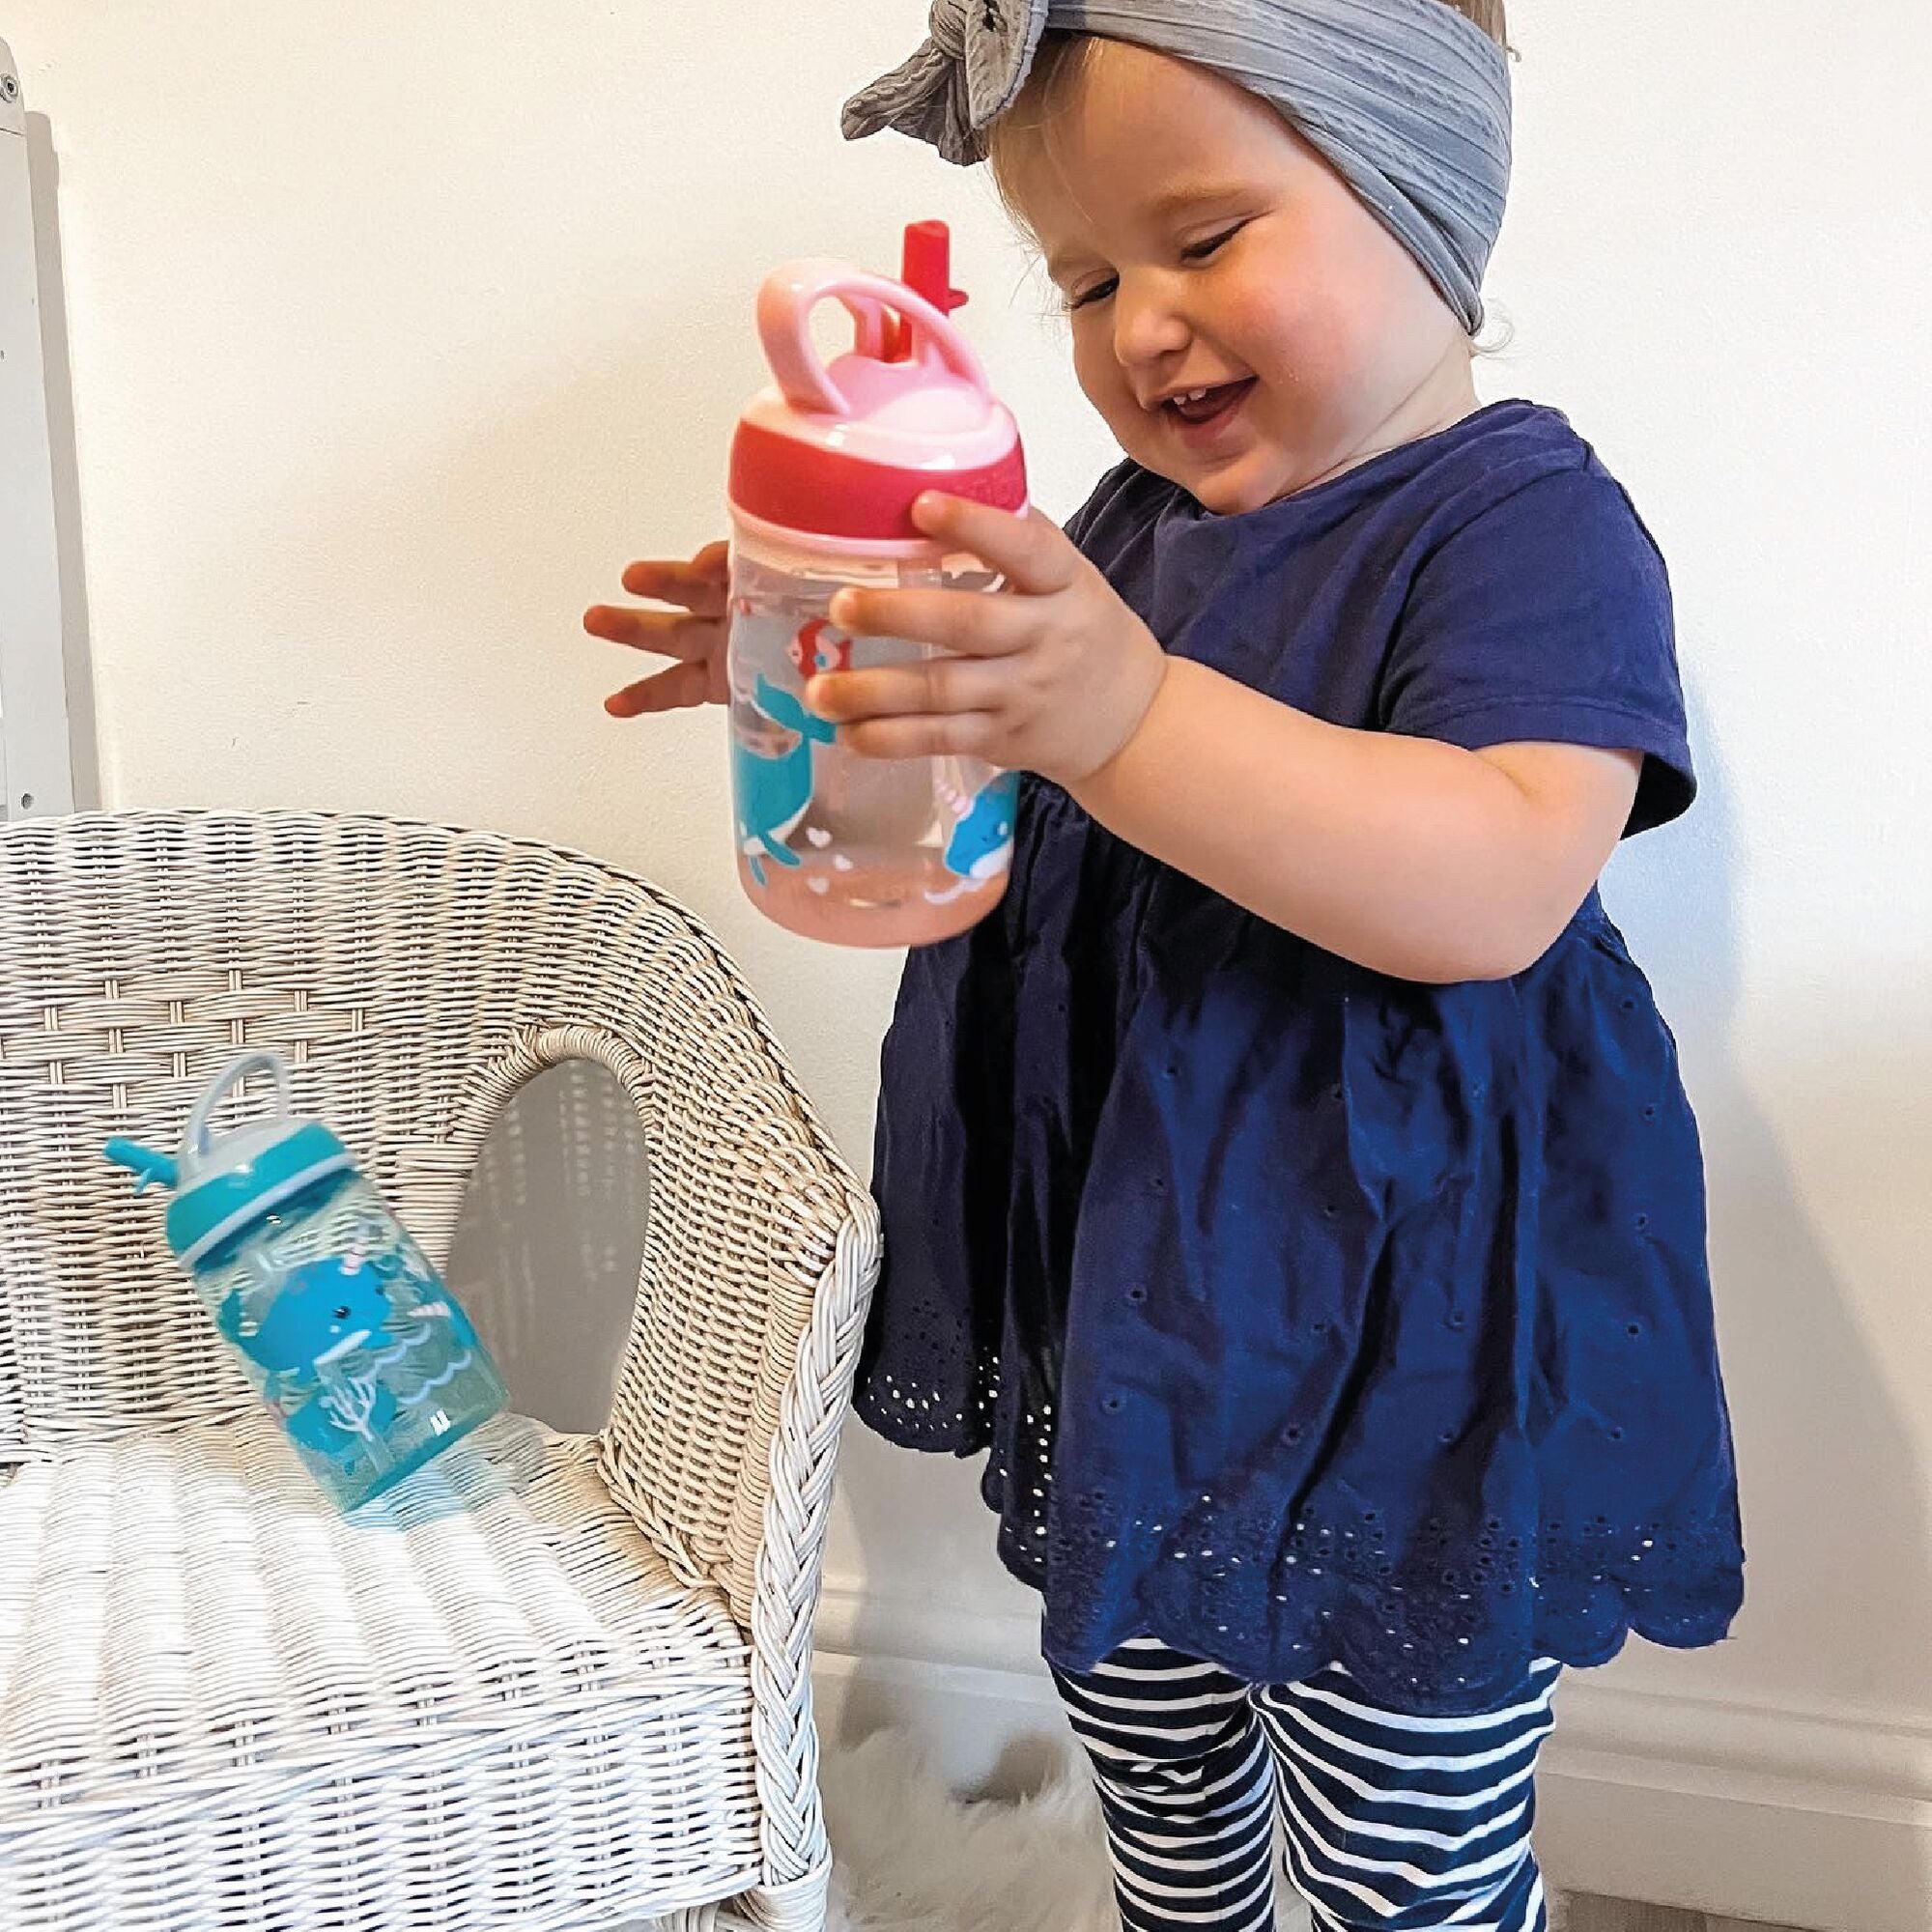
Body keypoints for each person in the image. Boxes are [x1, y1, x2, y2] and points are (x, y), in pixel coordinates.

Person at [583, 5, 1745, 1925]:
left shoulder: (1523, 527)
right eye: (1087, 278)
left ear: (1419, 195)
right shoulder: (1128, 530)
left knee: (1402, 1840)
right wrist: (837, 667)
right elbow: (997, 787)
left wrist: (1118, 711)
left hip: (1408, 1343)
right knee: (1153, 1750)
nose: (1138, 327)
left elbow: (1494, 882)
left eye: (1203, 243)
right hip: (1148, 1301)